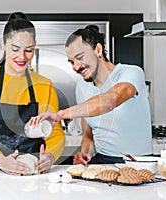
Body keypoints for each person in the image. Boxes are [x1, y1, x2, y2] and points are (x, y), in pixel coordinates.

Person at [29, 24, 153, 164]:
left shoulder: (131, 73)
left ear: (98, 50)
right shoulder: (81, 87)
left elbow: (109, 101)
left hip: (138, 163)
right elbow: (89, 133)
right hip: (101, 162)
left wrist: (60, 114)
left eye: (80, 57)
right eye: (71, 62)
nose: (76, 67)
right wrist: (85, 153)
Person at [0, 12, 65, 175]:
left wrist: (50, 157)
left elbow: (54, 133)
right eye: (15, 49)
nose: (22, 56)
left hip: (30, 173)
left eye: (29, 50)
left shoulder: (44, 85)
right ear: (3, 44)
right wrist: (0, 160)